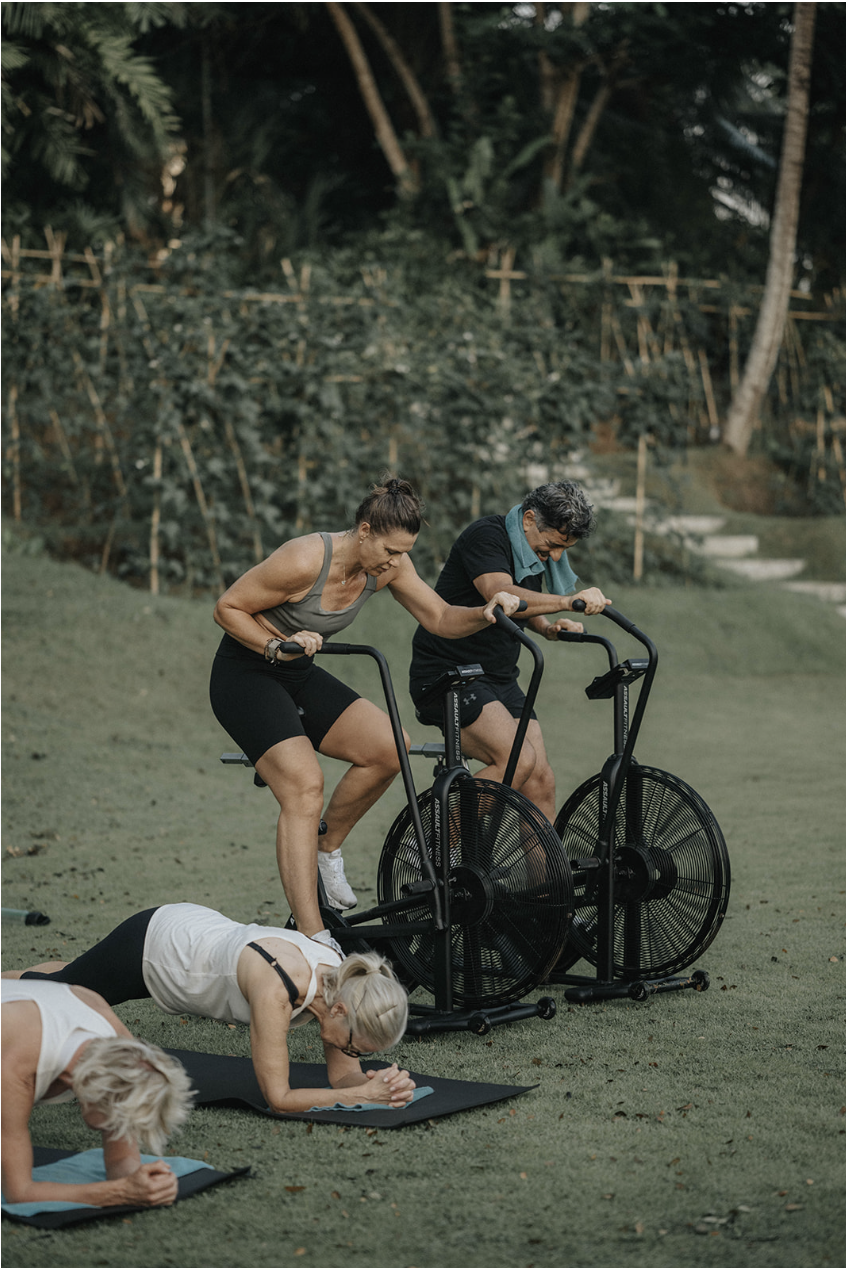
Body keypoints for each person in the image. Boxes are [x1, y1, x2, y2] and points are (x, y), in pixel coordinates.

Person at [209, 475, 521, 941]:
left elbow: (438, 617)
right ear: (364, 531)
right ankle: (313, 936)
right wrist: (276, 645)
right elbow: (227, 608)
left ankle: (325, 847)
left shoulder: (389, 566)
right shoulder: (304, 559)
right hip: (246, 673)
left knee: (390, 747)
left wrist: (484, 612)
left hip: (297, 671)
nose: (396, 561)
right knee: (304, 787)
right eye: (390, 551)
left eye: (404, 553)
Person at [4, 902, 416, 1115]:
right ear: (340, 1011)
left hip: (199, 938)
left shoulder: (343, 985)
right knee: (59, 993)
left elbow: (343, 1076)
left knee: (76, 976)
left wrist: (377, 1085)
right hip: (158, 950)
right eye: (356, 1047)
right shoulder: (278, 989)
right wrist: (361, 1095)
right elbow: (279, 1097)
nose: (352, 1054)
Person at [409, 481, 611, 822]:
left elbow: (523, 604)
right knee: (517, 761)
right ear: (529, 519)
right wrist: (567, 601)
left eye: (564, 549)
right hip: (450, 674)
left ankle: (544, 864)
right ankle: (436, 843)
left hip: (500, 678)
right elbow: (501, 594)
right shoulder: (487, 537)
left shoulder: (530, 547)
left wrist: (546, 627)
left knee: (541, 780)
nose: (556, 557)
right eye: (553, 545)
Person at [1, 977, 193, 1208]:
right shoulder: (17, 1064)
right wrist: (120, 1192)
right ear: (96, 1095)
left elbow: (121, 1161)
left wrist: (140, 1182)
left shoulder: (122, 1051)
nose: (123, 1130)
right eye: (120, 1121)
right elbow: (19, 1193)